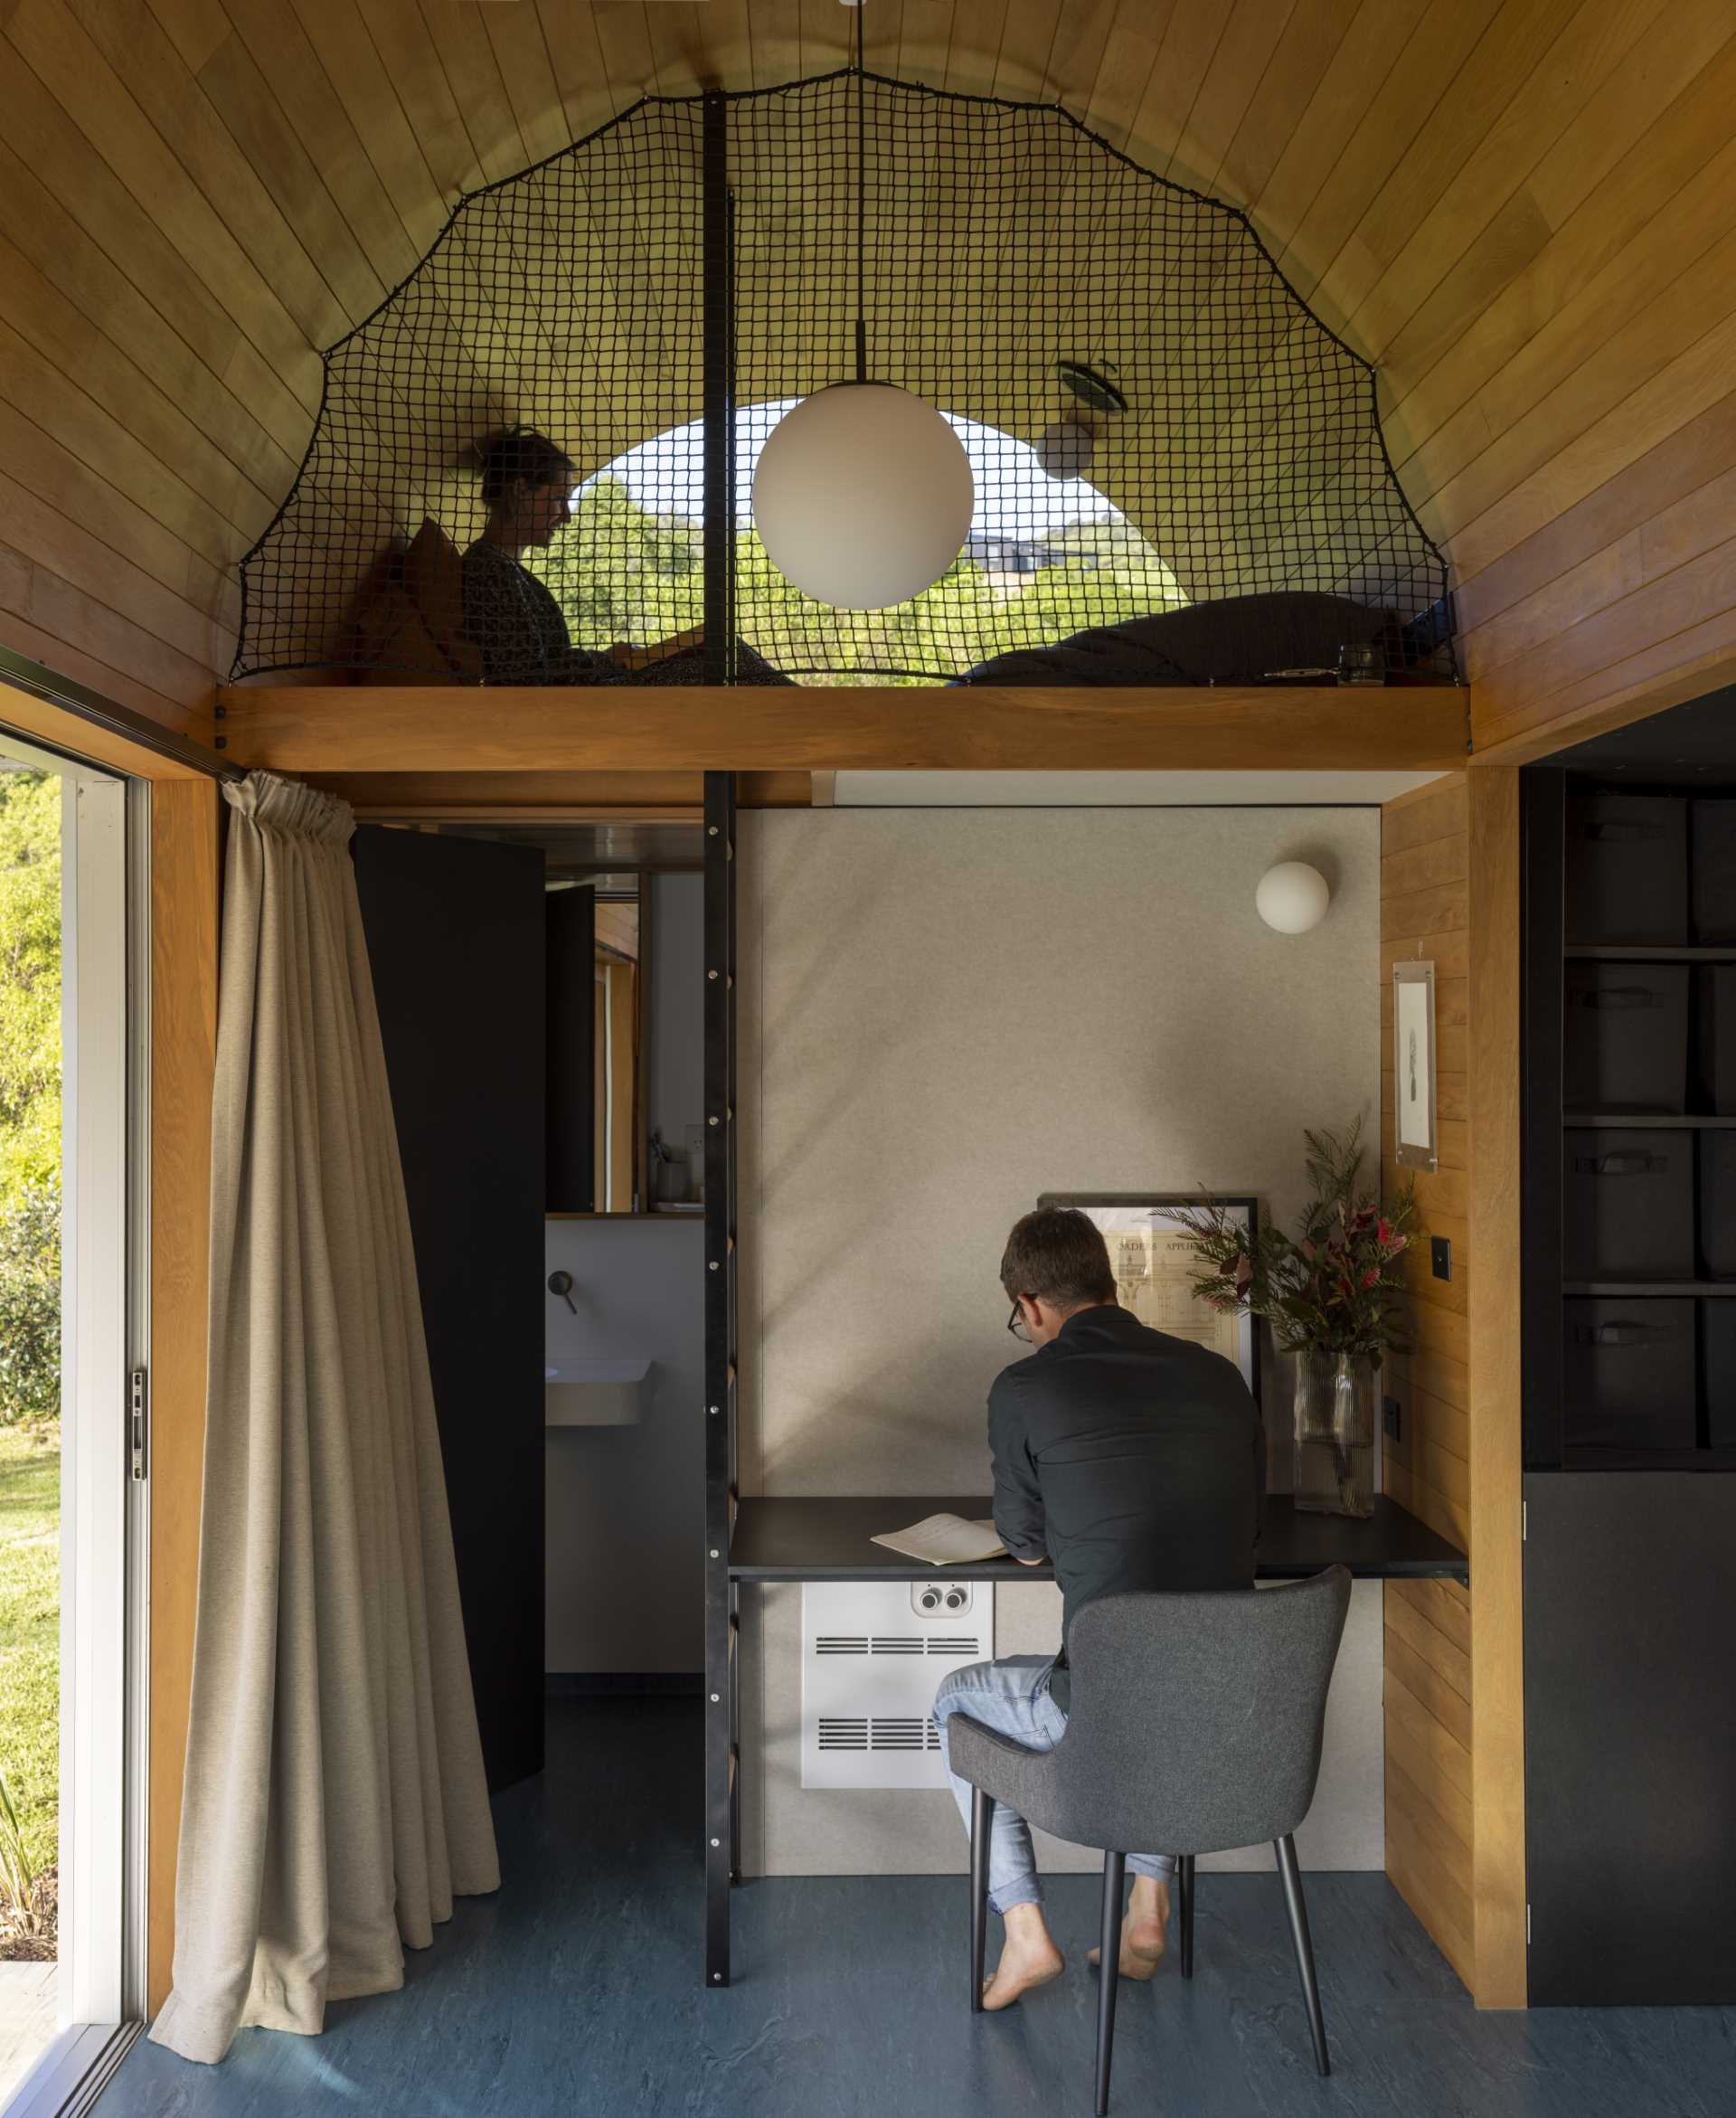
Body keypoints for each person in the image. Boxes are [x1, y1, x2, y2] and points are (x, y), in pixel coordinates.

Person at [931, 1205, 1262, 2010]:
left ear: (1032, 1305)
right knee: (1161, 1676)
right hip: (1239, 1704)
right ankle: (1145, 1913)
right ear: (1106, 1284)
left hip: (1108, 1713)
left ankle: (1024, 1934)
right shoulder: (1220, 1375)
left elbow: (1028, 1542)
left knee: (955, 1702)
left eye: (1021, 1317)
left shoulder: (1025, 1387)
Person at [461, 426, 789, 685]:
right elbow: (527, 677)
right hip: (570, 714)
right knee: (720, 658)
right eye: (559, 498)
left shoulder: (506, 570)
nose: (565, 516)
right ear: (520, 490)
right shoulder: (490, 570)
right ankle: (816, 722)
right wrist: (611, 659)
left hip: (582, 700)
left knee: (723, 649)